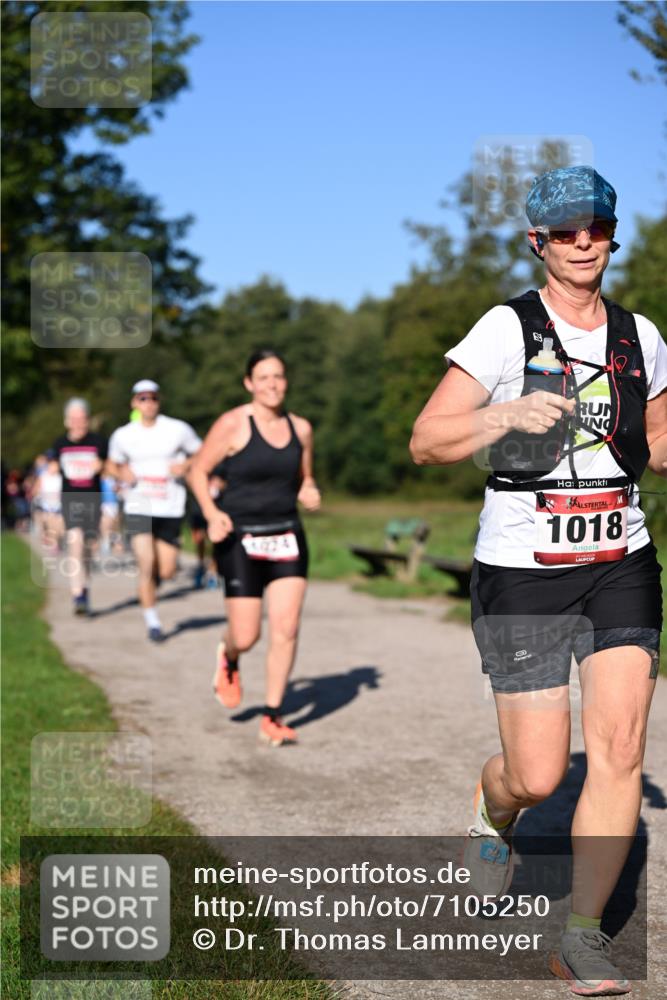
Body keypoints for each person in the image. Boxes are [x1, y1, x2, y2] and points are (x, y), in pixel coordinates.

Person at [410, 166, 667, 996]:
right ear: (538, 243)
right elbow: (426, 441)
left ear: (610, 233)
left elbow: (655, 444)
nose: (582, 241)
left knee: (622, 748)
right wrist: (499, 415)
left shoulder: (641, 338)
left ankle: (581, 937)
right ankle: (493, 814)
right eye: (564, 231)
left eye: (594, 225)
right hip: (523, 571)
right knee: (538, 775)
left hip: (618, 560)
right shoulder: (503, 329)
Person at [188, 349, 321, 746]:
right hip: (240, 539)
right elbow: (197, 470)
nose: (273, 384)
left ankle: (272, 714)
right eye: (263, 377)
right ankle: (229, 657)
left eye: (278, 376)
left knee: (286, 627)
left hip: (286, 535)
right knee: (245, 636)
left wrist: (309, 489)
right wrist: (211, 513)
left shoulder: (301, 429)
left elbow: (305, 477)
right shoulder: (232, 424)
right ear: (249, 383)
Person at [107, 380, 202, 642]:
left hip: (170, 506)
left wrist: (186, 466)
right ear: (134, 403)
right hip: (138, 504)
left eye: (153, 398)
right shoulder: (123, 434)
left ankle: (154, 585)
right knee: (146, 563)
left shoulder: (177, 429)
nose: (148, 403)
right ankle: (153, 622)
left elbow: (202, 452)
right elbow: (111, 464)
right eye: (142, 399)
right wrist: (120, 471)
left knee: (168, 570)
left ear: (160, 401)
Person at [48, 398, 108, 614]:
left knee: (89, 548)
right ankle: (78, 595)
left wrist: (102, 466)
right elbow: (53, 465)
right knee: (75, 541)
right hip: (71, 499)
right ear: (67, 421)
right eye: (74, 418)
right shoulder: (60, 444)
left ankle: (85, 585)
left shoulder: (98, 442)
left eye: (82, 418)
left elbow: (109, 467)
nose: (78, 422)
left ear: (88, 420)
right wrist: (52, 468)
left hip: (93, 499)